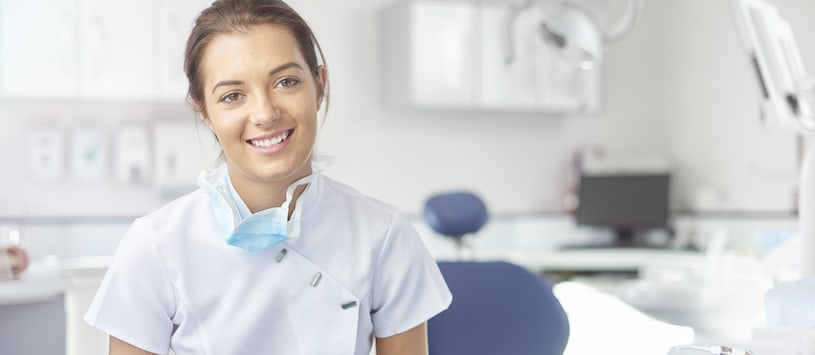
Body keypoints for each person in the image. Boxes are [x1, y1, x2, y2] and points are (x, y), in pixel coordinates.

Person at [84, 1, 452, 354]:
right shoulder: (156, 246)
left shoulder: (383, 235)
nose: (264, 113)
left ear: (319, 85)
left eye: (286, 82)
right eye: (232, 96)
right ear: (203, 111)